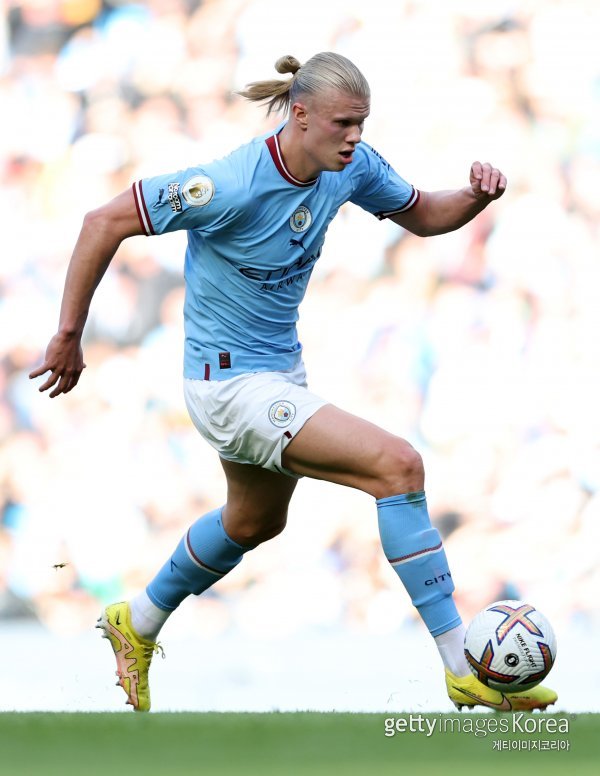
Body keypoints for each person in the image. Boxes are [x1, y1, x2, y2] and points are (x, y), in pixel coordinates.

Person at [30, 52, 557, 713]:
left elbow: (424, 214)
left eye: (361, 123)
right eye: (343, 123)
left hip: (277, 374)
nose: (355, 137)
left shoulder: (350, 167)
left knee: (253, 521)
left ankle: (136, 619)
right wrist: (69, 333)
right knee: (398, 467)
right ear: (300, 115)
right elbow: (103, 221)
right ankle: (460, 665)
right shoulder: (228, 184)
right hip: (228, 386)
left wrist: (475, 197)